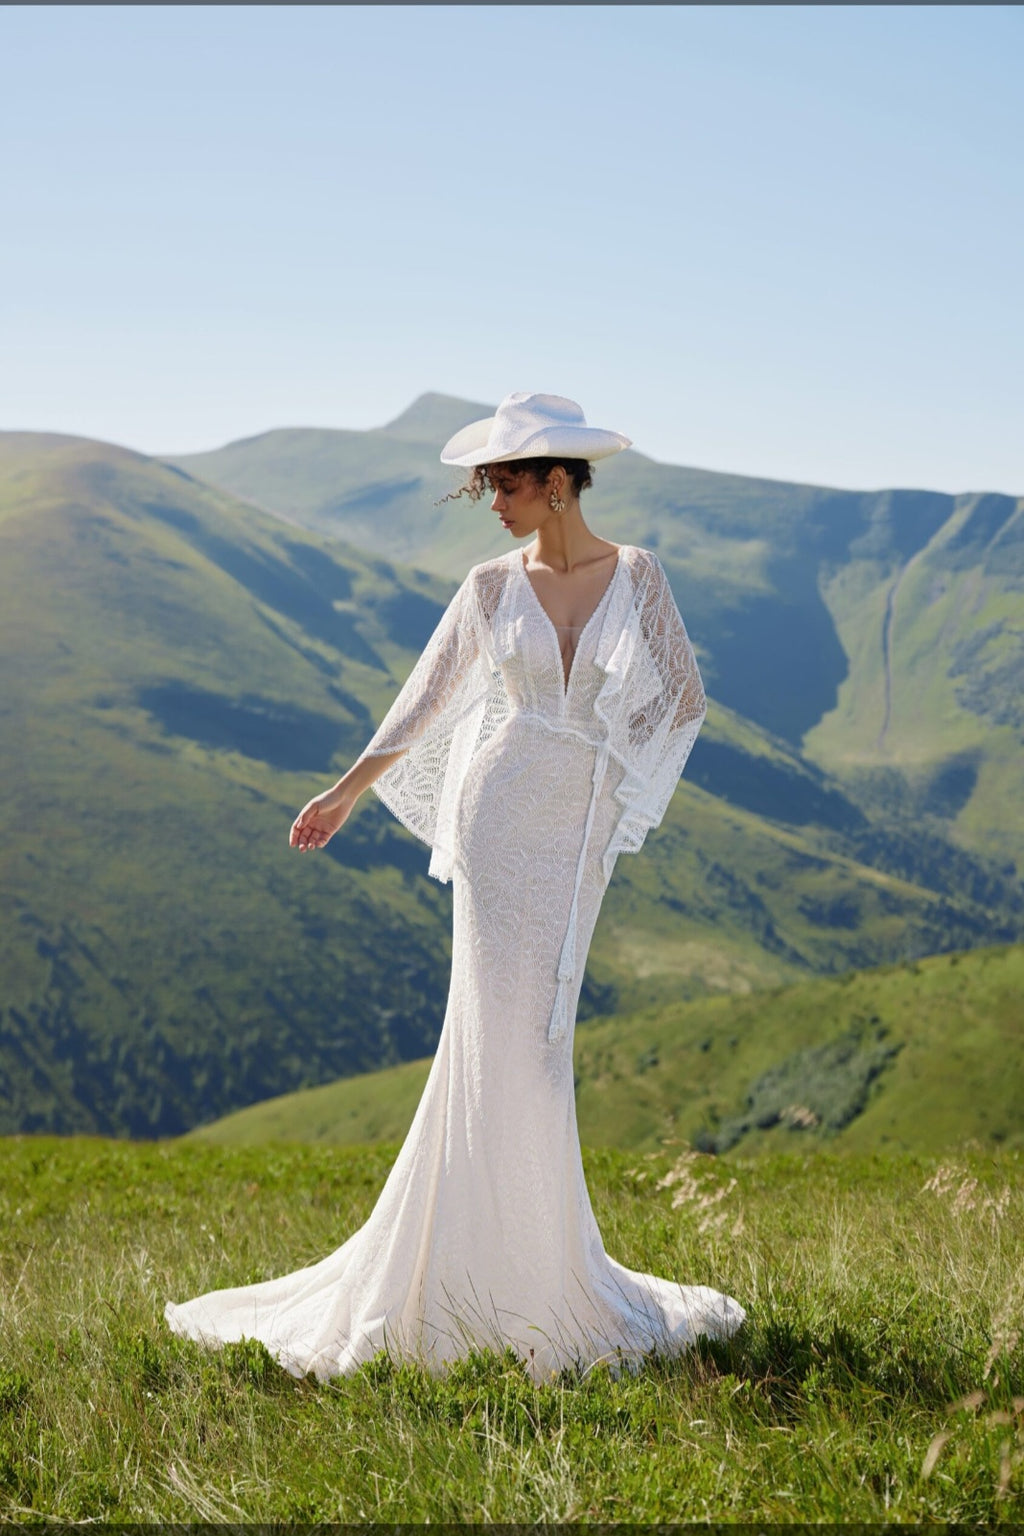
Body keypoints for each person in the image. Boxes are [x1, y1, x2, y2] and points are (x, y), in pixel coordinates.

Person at [164, 392, 746, 1382]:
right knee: (496, 1036)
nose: (494, 504)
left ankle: (534, 1272)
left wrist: (617, 785)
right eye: (488, 487)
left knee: (538, 1042)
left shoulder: (638, 576)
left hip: (575, 826)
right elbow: (427, 699)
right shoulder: (488, 586)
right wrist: (344, 793)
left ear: (559, 481)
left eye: (507, 484)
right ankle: (478, 1284)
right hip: (498, 814)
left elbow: (681, 697)